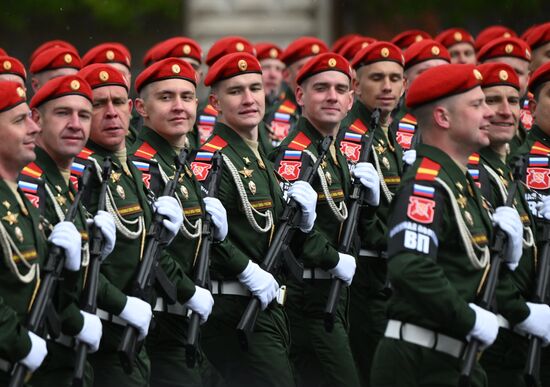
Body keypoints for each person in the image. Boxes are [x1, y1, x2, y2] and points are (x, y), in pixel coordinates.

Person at [370, 64, 524, 386]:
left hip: (454, 359)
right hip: (421, 361)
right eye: (477, 104)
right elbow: (410, 267)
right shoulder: (427, 185)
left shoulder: (459, 183)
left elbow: (468, 266)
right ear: (443, 118)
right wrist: (468, 319)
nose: (490, 114)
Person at [199, 52, 317, 387]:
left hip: (266, 306)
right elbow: (204, 237)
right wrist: (246, 270)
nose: (250, 99)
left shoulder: (257, 155)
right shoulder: (214, 160)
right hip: (235, 307)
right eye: (236, 91)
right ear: (215, 103)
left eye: (255, 88)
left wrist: (304, 225)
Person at [271, 52, 380, 387]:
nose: (332, 96)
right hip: (308, 298)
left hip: (334, 295)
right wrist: (334, 259)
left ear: (351, 100)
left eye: (340, 89)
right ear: (301, 95)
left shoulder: (332, 151)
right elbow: (291, 231)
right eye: (321, 88)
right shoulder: (295, 154)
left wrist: (372, 205)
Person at [75, 63, 183, 387]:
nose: (111, 113)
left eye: (119, 102)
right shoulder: (84, 172)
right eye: (98, 104)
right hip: (103, 334)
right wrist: (123, 306)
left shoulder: (126, 165)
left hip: (134, 332)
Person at [131, 57, 225, 387]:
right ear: (141, 107)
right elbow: (147, 249)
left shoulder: (179, 161)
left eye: (186, 97)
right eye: (166, 97)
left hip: (185, 322)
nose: (178, 106)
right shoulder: (142, 166)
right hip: (159, 320)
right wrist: (188, 293)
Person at [24, 75, 116, 386]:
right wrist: (76, 321)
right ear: (36, 119)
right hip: (43, 359)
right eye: (63, 113)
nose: (76, 124)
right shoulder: (31, 183)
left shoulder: (67, 182)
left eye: (84, 115)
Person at [0, 81, 81, 385]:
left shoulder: (20, 201)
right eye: (20, 120)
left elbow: (46, 293)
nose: (34, 129)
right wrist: (19, 343)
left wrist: (71, 268)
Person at [342, 41, 406, 386]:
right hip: (367, 278)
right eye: (377, 77)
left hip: (390, 274)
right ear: (357, 85)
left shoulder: (386, 133)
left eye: (395, 78)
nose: (387, 87)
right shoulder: (353, 137)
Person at [265, 37, 328, 145]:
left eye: (320, 68)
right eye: (304, 68)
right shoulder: (280, 118)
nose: (314, 74)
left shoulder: (331, 109)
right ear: (286, 75)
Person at [478, 37, 533, 151]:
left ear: (528, 79)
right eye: (497, 70)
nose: (508, 79)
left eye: (516, 72)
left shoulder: (536, 119)